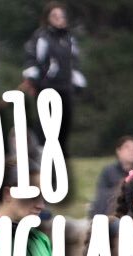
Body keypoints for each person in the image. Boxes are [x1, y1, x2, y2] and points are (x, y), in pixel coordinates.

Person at [20, 1, 84, 154]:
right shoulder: (41, 37)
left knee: (64, 125)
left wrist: (78, 82)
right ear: (48, 18)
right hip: (47, 88)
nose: (59, 19)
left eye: (62, 16)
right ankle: (41, 154)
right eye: (55, 16)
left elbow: (74, 63)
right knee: (46, 126)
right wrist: (32, 78)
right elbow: (32, 59)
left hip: (66, 89)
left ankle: (60, 160)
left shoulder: (69, 39)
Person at [88, 136, 133, 217]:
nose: (132, 151)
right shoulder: (108, 171)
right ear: (118, 151)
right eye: (127, 148)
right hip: (112, 212)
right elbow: (101, 193)